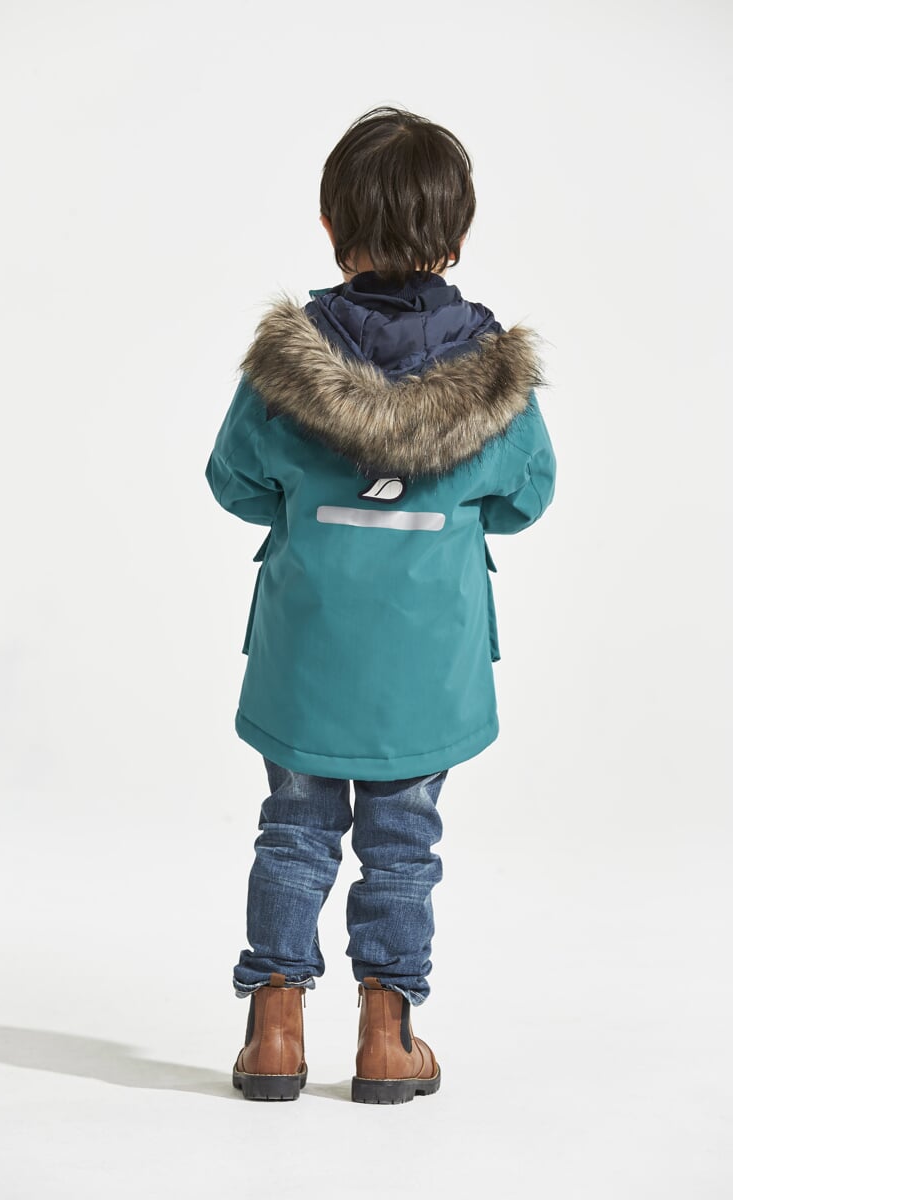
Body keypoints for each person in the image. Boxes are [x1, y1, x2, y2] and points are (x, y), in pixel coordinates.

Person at [204, 105, 557, 1103]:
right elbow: (526, 499)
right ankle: (387, 1038)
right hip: (425, 672)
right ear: (458, 237)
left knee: (293, 829)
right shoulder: (495, 381)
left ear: (331, 227)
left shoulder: (284, 368)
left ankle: (274, 1034)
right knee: (403, 845)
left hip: (306, 660)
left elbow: (233, 481)